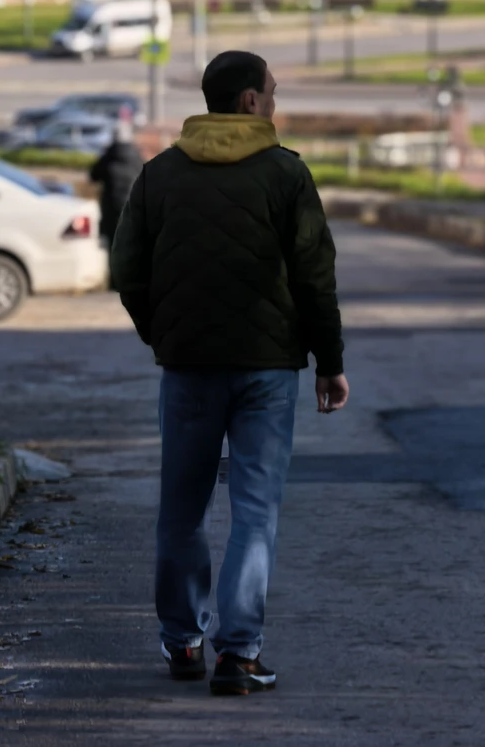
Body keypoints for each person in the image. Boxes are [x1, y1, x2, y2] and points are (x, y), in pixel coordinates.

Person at [110, 50, 347, 696]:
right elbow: (314, 277)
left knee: (181, 510)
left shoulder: (160, 175)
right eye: (270, 93)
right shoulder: (284, 175)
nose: (274, 102)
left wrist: (162, 333)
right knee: (253, 511)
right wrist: (330, 363)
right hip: (267, 371)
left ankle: (182, 642)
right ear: (248, 102)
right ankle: (237, 657)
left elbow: (127, 270)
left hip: (187, 369)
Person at [90, 108, 144, 244]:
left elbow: (93, 175)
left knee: (112, 247)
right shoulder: (137, 158)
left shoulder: (107, 158)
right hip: (132, 211)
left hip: (110, 211)